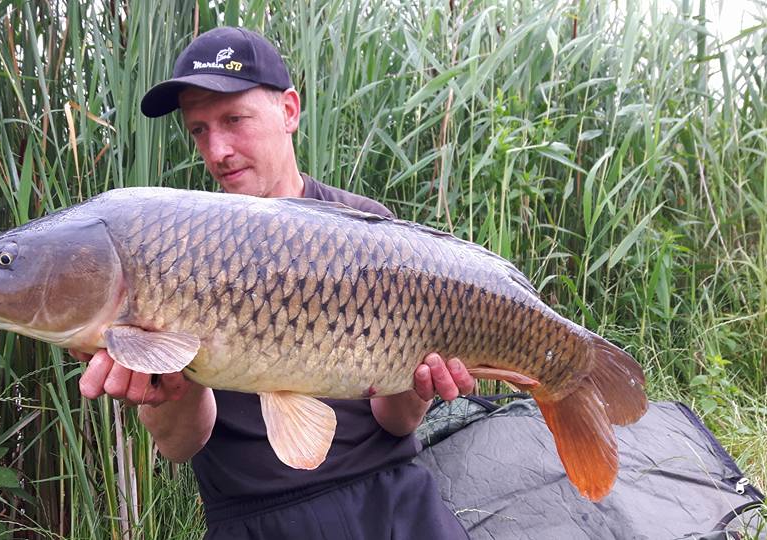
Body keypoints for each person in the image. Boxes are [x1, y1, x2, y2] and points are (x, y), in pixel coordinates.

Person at [74, 27, 473, 539]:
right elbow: (181, 446)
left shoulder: (369, 230)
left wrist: (419, 385)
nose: (217, 150)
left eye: (233, 120)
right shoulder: (173, 243)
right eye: (198, 130)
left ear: (288, 111)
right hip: (250, 517)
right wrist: (164, 388)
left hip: (387, 496)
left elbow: (396, 423)